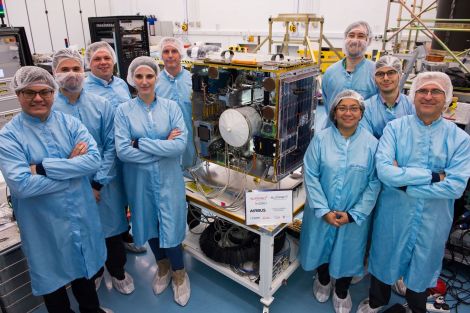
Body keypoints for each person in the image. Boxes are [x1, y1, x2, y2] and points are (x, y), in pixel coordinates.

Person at [0, 66, 111, 313]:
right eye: (30, 92)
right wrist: (72, 170)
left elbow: (93, 161)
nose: (38, 98)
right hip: (43, 225)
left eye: (45, 92)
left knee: (84, 273)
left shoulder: (70, 124)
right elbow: (21, 185)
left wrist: (40, 168)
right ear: (18, 94)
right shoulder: (9, 137)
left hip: (80, 215)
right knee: (53, 284)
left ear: (53, 92)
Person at [357, 72, 470, 313]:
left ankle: (416, 306)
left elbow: (456, 186)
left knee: (423, 265)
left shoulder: (460, 139)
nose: (428, 96)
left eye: (436, 92)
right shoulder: (394, 129)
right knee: (384, 259)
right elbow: (385, 172)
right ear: (413, 95)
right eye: (422, 91)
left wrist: (404, 181)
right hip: (394, 214)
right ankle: (377, 302)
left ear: (447, 97)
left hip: (434, 219)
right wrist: (433, 176)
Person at [51, 49, 135, 294]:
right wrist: (77, 178)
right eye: (64, 69)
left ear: (83, 71)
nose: (71, 74)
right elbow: (51, 152)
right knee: (83, 234)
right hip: (70, 184)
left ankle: (117, 272)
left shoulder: (101, 105)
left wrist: (98, 183)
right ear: (54, 73)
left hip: (104, 181)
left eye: (75, 69)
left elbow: (111, 146)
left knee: (112, 230)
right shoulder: (50, 108)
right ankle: (94, 272)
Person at [114, 56, 190, 306]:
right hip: (139, 181)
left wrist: (141, 144)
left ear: (156, 78)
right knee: (149, 223)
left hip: (169, 179)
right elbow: (123, 151)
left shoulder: (171, 108)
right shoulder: (123, 111)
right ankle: (163, 266)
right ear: (131, 79)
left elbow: (179, 146)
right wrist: (162, 147)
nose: (144, 81)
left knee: (172, 224)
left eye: (149, 76)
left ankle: (179, 273)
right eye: (139, 76)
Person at [300, 90, 381, 313]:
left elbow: (375, 182)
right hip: (321, 212)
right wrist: (323, 210)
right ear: (334, 112)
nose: (348, 113)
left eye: (354, 108)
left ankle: (342, 290)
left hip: (354, 216)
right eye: (342, 108)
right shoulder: (320, 140)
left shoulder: (372, 145)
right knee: (321, 248)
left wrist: (354, 214)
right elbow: (311, 175)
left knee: (349, 252)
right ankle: (324, 280)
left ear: (361, 113)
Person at [83, 41, 146, 254]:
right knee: (105, 202)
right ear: (89, 63)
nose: (103, 62)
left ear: (114, 60)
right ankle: (108, 246)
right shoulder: (83, 89)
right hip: (102, 157)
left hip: (126, 153)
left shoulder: (120, 84)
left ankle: (124, 233)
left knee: (124, 196)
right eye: (97, 59)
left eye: (107, 58)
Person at [320, 21, 377, 129]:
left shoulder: (376, 72)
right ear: (345, 39)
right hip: (333, 133)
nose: (355, 40)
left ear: (368, 41)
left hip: (363, 136)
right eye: (351, 35)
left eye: (361, 36)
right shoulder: (330, 72)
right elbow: (328, 105)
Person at [156, 37, 196, 170]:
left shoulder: (192, 80)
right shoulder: (154, 82)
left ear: (181, 54)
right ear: (161, 56)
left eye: (174, 51)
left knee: (194, 174)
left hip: (192, 140)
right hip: (165, 140)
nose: (170, 55)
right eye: (166, 51)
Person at [361, 55, 414, 139]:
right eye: (380, 74)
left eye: (391, 73)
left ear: (399, 75)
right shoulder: (366, 108)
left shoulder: (411, 105)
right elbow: (367, 141)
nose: (385, 78)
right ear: (374, 78)